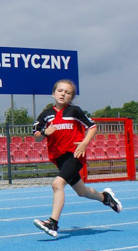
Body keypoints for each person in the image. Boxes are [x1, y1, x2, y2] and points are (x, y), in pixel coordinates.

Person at [32, 79, 123, 237]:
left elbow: (92, 127)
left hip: (74, 155)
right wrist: (46, 132)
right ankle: (106, 198)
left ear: (71, 97)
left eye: (68, 93)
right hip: (59, 158)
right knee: (82, 192)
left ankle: (53, 223)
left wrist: (84, 143)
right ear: (53, 94)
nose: (63, 94)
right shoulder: (46, 115)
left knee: (57, 184)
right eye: (60, 91)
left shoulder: (74, 111)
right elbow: (37, 137)